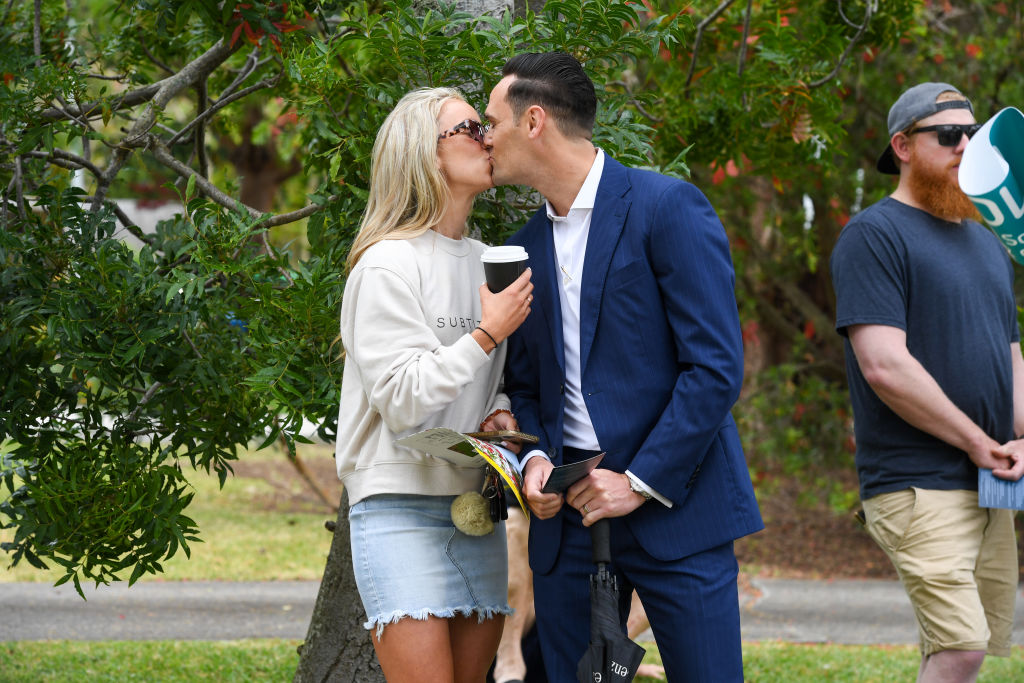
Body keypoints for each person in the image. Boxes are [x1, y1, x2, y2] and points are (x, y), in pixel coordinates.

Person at [484, 52, 764, 681]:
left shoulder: (667, 207)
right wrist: (533, 464)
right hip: (568, 525)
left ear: (534, 122)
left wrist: (636, 482)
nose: (483, 136)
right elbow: (526, 385)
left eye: (490, 120)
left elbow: (715, 368)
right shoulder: (524, 246)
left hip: (678, 507)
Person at [334, 87, 534, 683]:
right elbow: (400, 399)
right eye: (468, 128)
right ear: (425, 153)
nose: (486, 137)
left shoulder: (488, 260)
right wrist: (483, 336)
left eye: (484, 126)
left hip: (475, 508)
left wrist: (498, 410)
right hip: (398, 508)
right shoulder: (385, 265)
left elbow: (490, 379)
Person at [830, 82, 1024, 683]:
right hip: (916, 481)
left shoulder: (986, 240)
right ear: (903, 146)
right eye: (948, 135)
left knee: (967, 647)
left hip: (990, 481)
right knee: (960, 646)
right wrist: (973, 439)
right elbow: (884, 365)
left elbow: (1011, 355)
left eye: (972, 133)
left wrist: (1019, 435)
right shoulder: (873, 235)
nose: (966, 145)